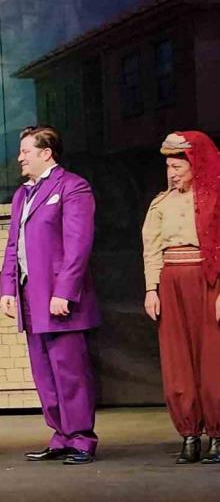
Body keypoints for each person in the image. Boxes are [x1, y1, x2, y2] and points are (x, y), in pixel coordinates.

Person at [0, 126, 100, 465]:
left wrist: (65, 291)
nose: (20, 158)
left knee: (69, 369)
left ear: (46, 153)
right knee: (43, 371)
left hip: (59, 296)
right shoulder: (22, 195)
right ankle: (60, 435)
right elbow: (13, 245)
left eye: (26, 151)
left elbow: (78, 244)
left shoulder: (72, 186)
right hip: (30, 294)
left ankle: (81, 438)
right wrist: (8, 287)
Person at [142, 131, 220, 465]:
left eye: (178, 167)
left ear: (195, 165)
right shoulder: (161, 203)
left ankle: (217, 434)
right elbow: (151, 248)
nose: (172, 173)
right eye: (169, 167)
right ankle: (189, 433)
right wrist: (152, 289)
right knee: (177, 358)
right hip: (171, 281)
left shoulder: (214, 199)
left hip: (208, 280)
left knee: (212, 357)